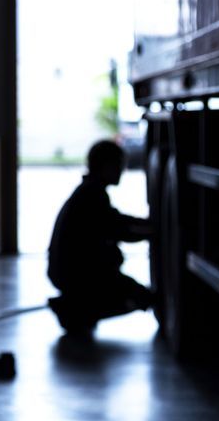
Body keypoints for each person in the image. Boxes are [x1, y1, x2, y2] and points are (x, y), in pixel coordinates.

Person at [47, 140, 153, 335]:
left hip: (73, 274)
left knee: (137, 294)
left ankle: (78, 307)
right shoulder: (92, 196)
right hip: (81, 276)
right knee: (143, 297)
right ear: (106, 166)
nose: (122, 171)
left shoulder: (88, 192)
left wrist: (146, 226)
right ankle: (78, 310)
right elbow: (120, 228)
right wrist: (153, 229)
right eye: (119, 165)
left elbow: (117, 222)